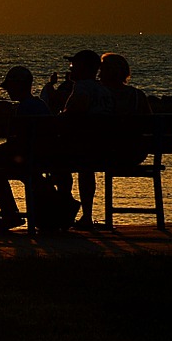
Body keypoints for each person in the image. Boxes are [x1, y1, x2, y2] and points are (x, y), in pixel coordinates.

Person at [0, 66, 51, 232]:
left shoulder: (23, 109)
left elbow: (18, 144)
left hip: (25, 160)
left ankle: (10, 211)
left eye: (10, 88)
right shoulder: (41, 105)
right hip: (41, 158)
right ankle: (10, 212)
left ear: (18, 86)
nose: (8, 92)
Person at [56, 49, 114, 229]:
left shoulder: (82, 88)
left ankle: (63, 208)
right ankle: (83, 213)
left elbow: (72, 115)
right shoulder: (103, 90)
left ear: (83, 68)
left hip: (85, 150)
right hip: (104, 149)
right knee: (82, 165)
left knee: (56, 163)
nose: (70, 69)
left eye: (73, 65)